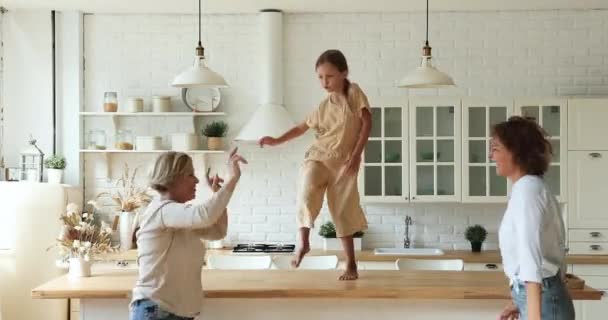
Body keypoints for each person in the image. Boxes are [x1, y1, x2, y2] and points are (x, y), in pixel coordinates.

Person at [259, 49, 371, 280]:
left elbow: (367, 123)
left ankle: (351, 265)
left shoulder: (354, 93)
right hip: (319, 156)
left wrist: (357, 155)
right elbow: (302, 127)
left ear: (343, 73)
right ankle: (303, 243)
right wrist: (276, 140)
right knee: (307, 190)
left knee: (343, 212)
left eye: (329, 76)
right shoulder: (323, 106)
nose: (324, 82)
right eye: (320, 77)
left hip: (345, 163)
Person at [130, 148, 247, 320]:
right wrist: (232, 179)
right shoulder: (162, 210)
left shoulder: (179, 215)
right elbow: (205, 215)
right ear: (173, 178)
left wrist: (218, 194)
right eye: (190, 174)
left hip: (175, 313)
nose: (197, 180)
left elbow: (218, 231)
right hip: (157, 311)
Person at [492, 117, 573, 320]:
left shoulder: (528, 189)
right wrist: (519, 301)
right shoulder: (529, 187)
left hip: (545, 302)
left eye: (496, 148)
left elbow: (530, 257)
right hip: (545, 299)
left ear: (516, 152)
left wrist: (533, 312)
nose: (491, 155)